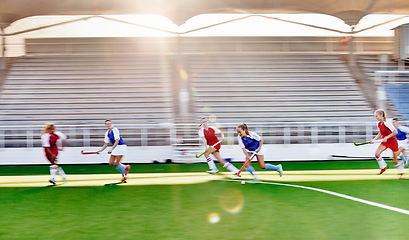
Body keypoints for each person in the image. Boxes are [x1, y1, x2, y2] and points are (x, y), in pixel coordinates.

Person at [370, 110, 404, 177]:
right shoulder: (378, 123)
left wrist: (387, 137)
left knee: (395, 160)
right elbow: (380, 133)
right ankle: (384, 167)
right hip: (385, 142)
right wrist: (373, 140)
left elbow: (395, 132)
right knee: (377, 154)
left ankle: (401, 172)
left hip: (392, 141)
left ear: (381, 115)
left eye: (377, 116)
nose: (376, 117)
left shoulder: (387, 123)